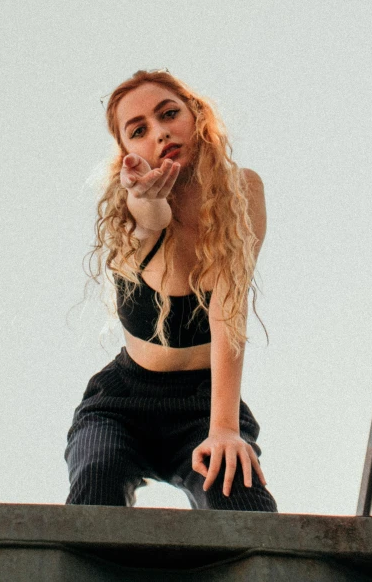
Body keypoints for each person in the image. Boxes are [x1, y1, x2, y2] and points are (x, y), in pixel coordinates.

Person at [64, 69, 277, 511]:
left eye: (168, 114)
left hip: (205, 404)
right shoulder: (131, 210)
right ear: (127, 152)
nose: (159, 134)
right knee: (97, 487)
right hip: (122, 403)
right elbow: (151, 220)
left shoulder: (241, 190)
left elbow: (228, 311)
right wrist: (145, 198)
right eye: (139, 130)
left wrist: (223, 428)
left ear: (196, 114)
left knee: (242, 505)